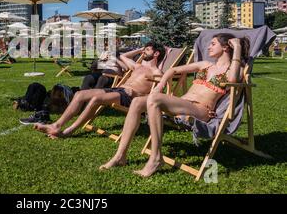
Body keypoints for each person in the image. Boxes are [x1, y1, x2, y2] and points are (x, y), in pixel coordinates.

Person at [100, 33, 249, 177]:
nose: (208, 47)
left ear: (225, 48)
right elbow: (173, 70)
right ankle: (120, 155)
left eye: (213, 44)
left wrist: (237, 47)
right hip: (183, 104)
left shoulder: (235, 70)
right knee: (138, 102)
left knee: (154, 100)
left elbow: (233, 78)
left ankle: (156, 158)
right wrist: (160, 85)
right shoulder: (205, 65)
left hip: (200, 110)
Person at [33, 43, 166, 139]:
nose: (144, 52)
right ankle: (56, 125)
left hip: (129, 97)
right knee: (79, 94)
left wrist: (141, 96)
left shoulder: (157, 72)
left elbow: (161, 89)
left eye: (147, 50)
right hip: (117, 90)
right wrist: (140, 49)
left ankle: (68, 131)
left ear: (156, 53)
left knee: (96, 99)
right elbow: (123, 56)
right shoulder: (137, 66)